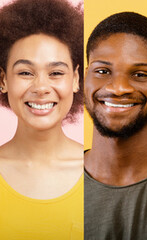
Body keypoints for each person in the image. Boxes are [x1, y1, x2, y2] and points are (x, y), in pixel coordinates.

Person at [0, 0, 83, 238]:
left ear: (76, 79)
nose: (41, 87)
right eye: (26, 73)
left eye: (56, 73)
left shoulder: (100, 175)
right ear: (3, 80)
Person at [83, 11, 147, 239]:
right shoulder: (52, 182)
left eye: (139, 74)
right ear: (84, 77)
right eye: (102, 71)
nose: (118, 88)